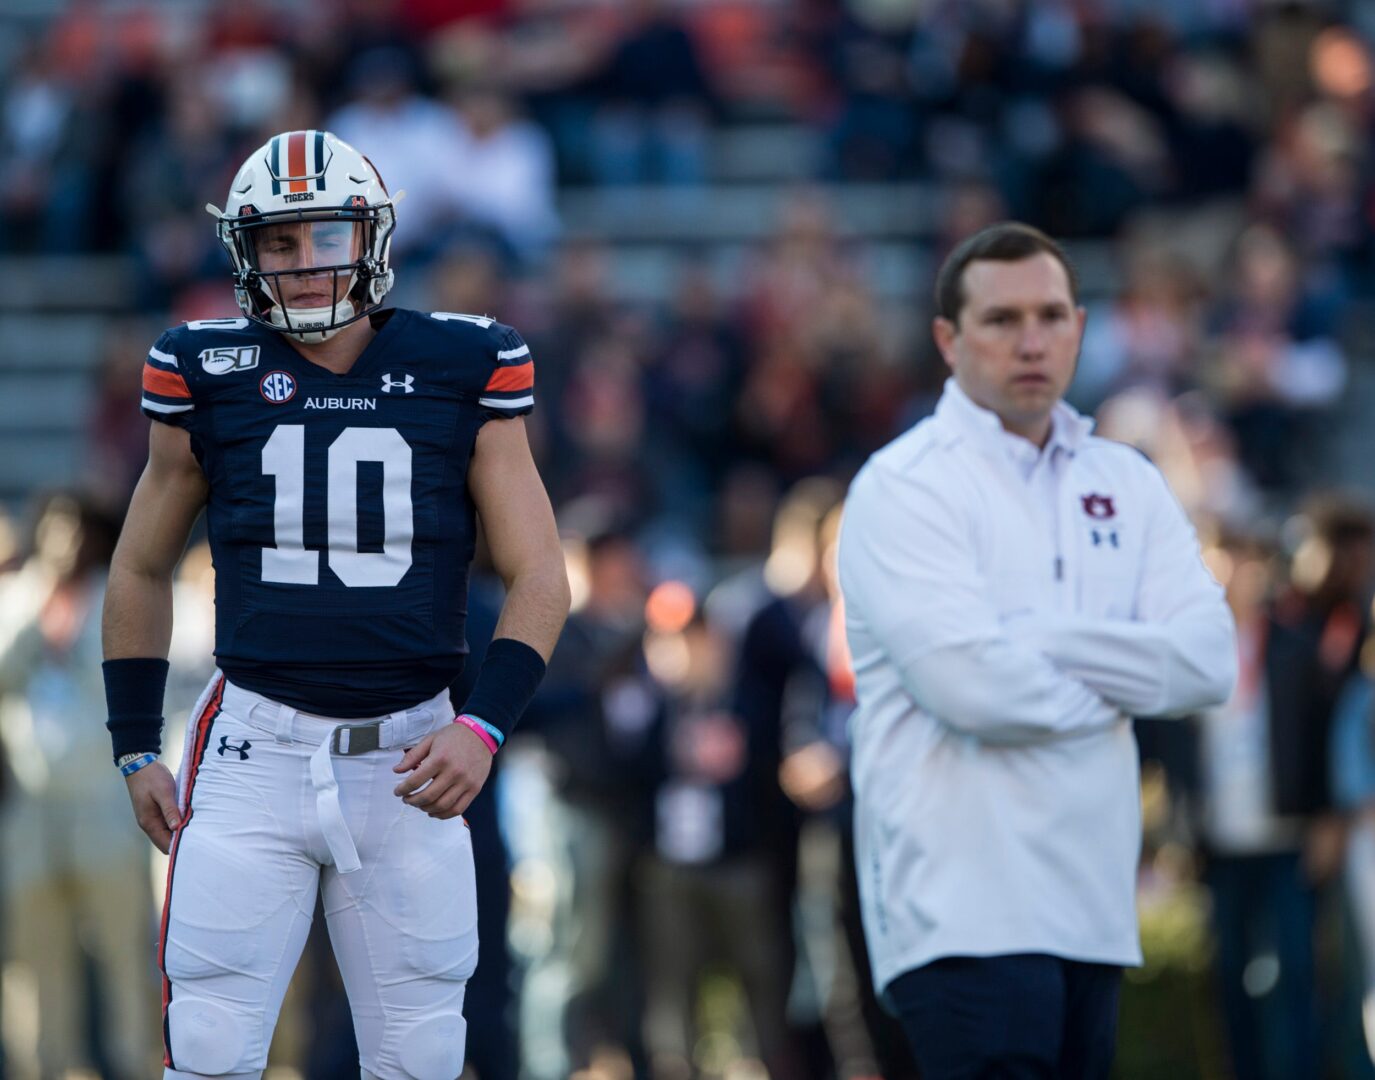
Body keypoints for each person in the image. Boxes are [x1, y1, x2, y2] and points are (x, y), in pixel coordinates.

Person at [101, 129, 570, 1080]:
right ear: (243, 252)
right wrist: (136, 741)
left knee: (423, 1058)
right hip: (250, 751)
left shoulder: (464, 363)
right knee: (209, 1049)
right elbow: (141, 567)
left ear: (371, 235)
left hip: (412, 754)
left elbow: (540, 575)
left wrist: (483, 727)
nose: (303, 264)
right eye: (276, 242)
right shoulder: (205, 367)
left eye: (322, 236)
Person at [837, 222, 1237, 1079]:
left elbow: (1207, 663)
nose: (1031, 340)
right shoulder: (903, 485)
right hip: (957, 911)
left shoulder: (1125, 480)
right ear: (947, 339)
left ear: (1081, 327)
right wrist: (1124, 679)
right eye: (1001, 318)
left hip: (1090, 911)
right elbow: (973, 691)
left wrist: (1039, 639)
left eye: (1051, 315)